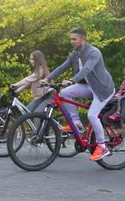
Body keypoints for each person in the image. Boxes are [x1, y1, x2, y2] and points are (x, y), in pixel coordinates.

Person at [43, 27, 115, 161]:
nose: (71, 41)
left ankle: (102, 146)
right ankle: (76, 123)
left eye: (74, 39)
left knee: (92, 115)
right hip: (89, 86)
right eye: (70, 39)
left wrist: (72, 80)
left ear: (83, 38)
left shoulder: (94, 52)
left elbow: (87, 69)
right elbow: (62, 67)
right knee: (65, 93)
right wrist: (47, 79)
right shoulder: (75, 53)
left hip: (103, 89)